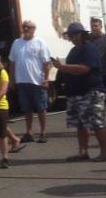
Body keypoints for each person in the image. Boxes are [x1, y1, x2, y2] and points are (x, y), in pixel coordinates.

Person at [52, 22, 106, 161]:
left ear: (82, 34)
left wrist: (63, 67)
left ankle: (104, 152)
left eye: (76, 34)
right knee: (80, 124)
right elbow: (71, 69)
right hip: (76, 93)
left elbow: (84, 68)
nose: (73, 38)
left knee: (97, 123)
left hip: (91, 91)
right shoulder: (73, 51)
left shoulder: (89, 48)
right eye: (71, 35)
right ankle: (83, 152)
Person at [8, 19, 51, 143]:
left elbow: (46, 63)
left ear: (34, 29)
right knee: (26, 108)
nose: (26, 29)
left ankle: (43, 132)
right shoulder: (16, 43)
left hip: (37, 81)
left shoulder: (40, 42)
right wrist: (12, 79)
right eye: (24, 27)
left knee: (41, 107)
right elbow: (12, 62)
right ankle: (29, 132)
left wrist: (46, 79)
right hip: (22, 82)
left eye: (29, 27)